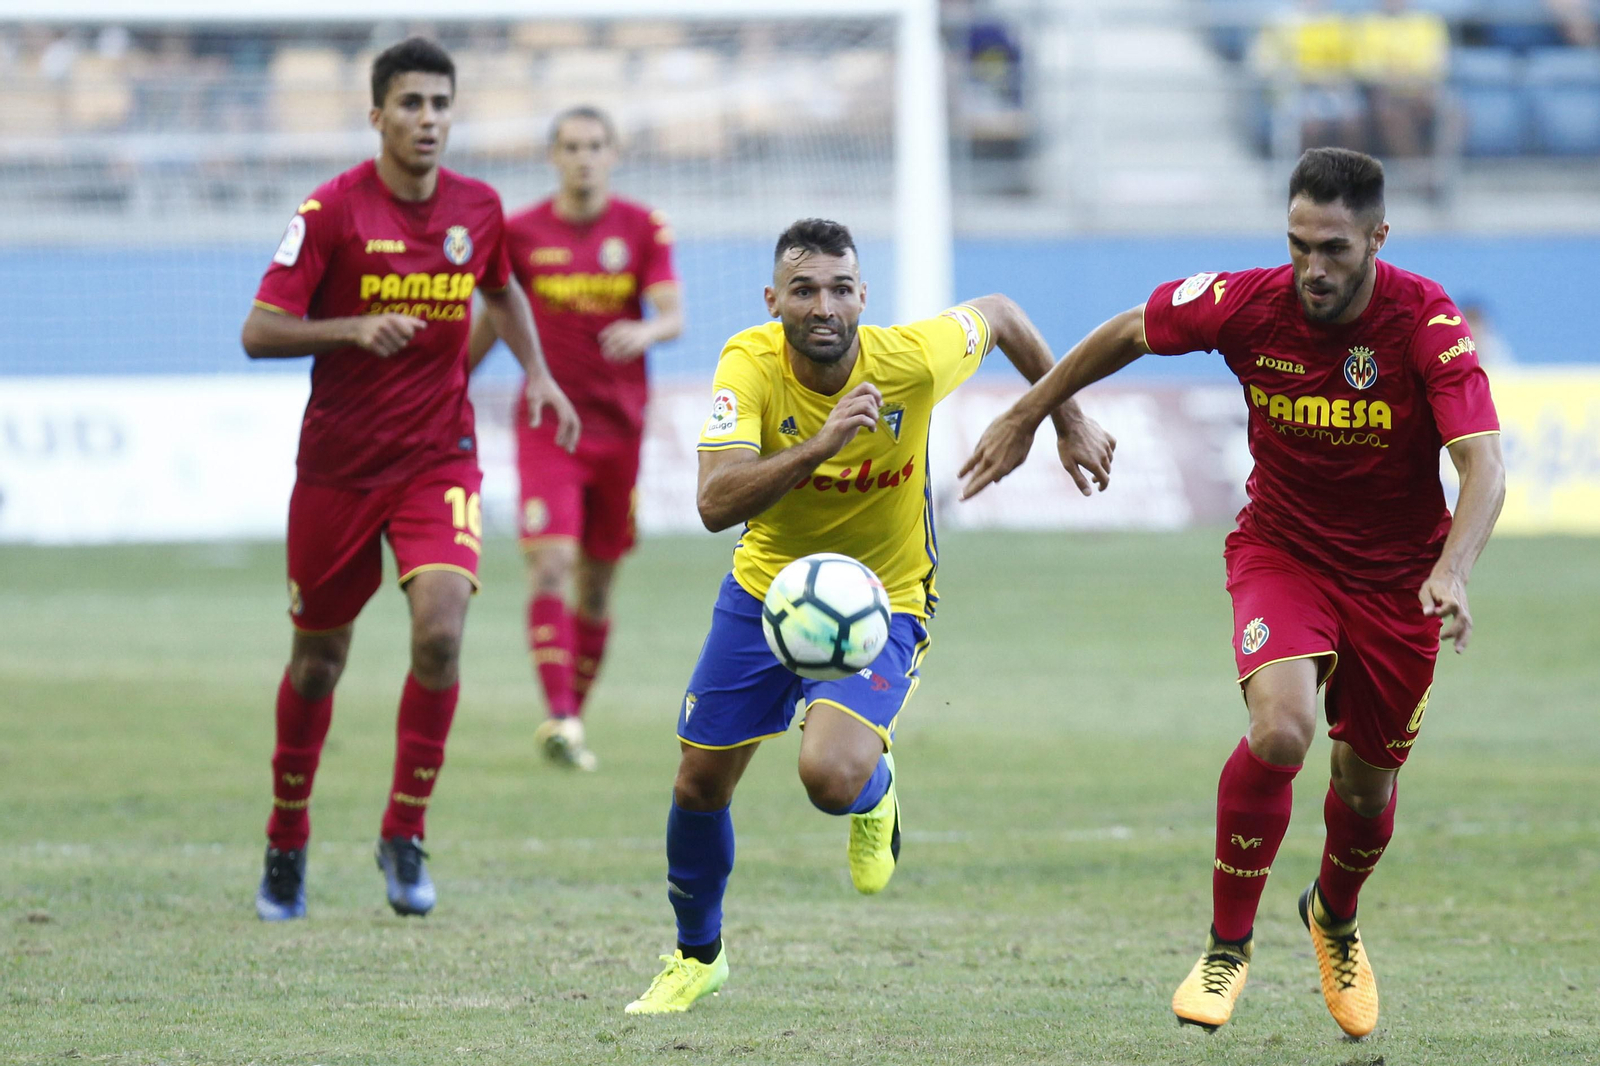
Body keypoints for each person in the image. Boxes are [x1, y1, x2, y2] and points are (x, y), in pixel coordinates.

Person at [960, 148, 1504, 1038]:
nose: (1312, 269)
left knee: (1366, 792)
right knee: (1282, 728)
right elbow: (1132, 329)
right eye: (1298, 245)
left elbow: (1484, 465)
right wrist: (1036, 413)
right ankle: (1226, 946)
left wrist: (1454, 569)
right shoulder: (1251, 303)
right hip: (1282, 552)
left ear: (1378, 237)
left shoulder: (1426, 322)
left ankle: (1332, 915)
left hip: (1399, 580)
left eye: (1333, 249)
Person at [621, 218, 1117, 1015]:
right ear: (772, 300)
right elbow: (714, 503)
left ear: (863, 296)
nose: (825, 307)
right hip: (764, 596)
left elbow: (1003, 315)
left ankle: (874, 791)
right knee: (697, 783)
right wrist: (818, 447)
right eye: (805, 290)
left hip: (883, 602)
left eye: (841, 289)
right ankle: (696, 956)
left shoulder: (910, 361)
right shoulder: (747, 364)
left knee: (829, 776)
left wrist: (1061, 418)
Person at [240, 37, 580, 921]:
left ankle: (405, 830)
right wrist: (351, 328)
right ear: (377, 116)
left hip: (438, 459)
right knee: (318, 662)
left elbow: (500, 291)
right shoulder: (331, 213)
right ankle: (286, 839)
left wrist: (537, 371)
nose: (428, 120)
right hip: (338, 471)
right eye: (411, 105)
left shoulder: (480, 206)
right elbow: (259, 331)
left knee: (440, 634)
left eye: (440, 104)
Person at [468, 105, 682, 772]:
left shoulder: (641, 227)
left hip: (620, 432)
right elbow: (491, 320)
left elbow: (672, 314)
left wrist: (644, 331)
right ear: (552, 156)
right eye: (571, 146)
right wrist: (444, 384)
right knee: (551, 565)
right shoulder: (521, 231)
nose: (584, 157)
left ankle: (572, 720)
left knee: (596, 586)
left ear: (613, 153)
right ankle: (559, 713)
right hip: (548, 429)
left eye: (595, 145)